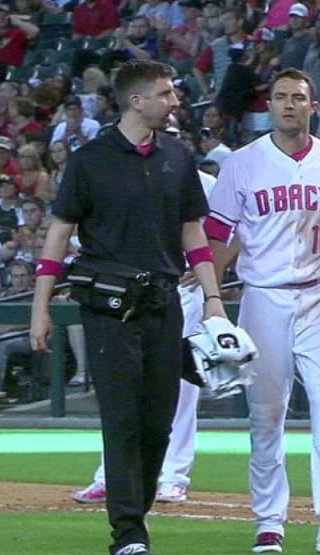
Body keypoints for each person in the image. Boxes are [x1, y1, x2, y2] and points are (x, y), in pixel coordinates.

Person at [29, 60, 226, 555]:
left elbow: (194, 234)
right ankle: (128, 533)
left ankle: (135, 516)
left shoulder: (178, 157)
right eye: (166, 93)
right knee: (121, 418)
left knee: (158, 419)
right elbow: (58, 234)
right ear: (137, 101)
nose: (175, 101)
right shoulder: (90, 160)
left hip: (164, 300)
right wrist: (41, 307)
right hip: (108, 305)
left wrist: (213, 299)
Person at [203, 67, 320, 555]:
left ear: (312, 105)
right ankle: (269, 520)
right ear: (269, 106)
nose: (289, 105)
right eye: (280, 97)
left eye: (299, 97)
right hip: (264, 295)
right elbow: (217, 236)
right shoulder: (242, 163)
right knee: (266, 412)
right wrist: (211, 305)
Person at [73, 166, 225, 507]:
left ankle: (173, 476)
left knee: (181, 390)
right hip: (130, 290)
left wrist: (209, 273)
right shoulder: (118, 172)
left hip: (181, 290)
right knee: (122, 388)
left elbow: (231, 230)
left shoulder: (202, 181)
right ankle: (111, 476)